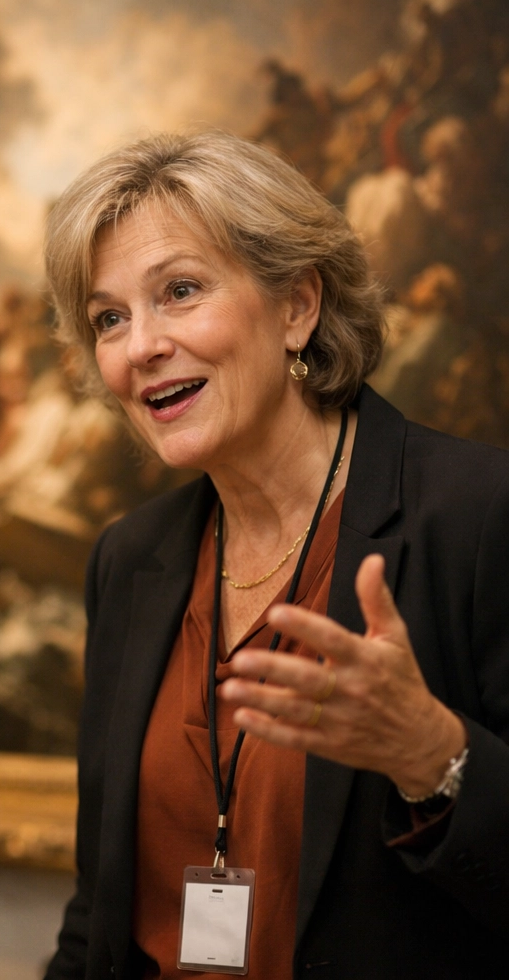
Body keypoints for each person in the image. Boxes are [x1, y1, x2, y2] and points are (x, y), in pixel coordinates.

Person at [41, 132, 509, 979]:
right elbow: (97, 913)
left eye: (179, 292)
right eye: (110, 318)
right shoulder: (129, 559)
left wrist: (431, 757)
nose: (140, 345)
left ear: (298, 306)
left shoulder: (481, 519)